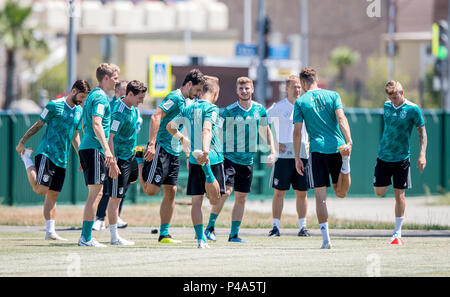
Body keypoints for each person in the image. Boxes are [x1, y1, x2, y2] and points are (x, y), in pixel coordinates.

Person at [16, 80, 91, 241]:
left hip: (62, 159)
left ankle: (50, 232)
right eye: (82, 96)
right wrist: (22, 141)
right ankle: (26, 159)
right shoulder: (53, 105)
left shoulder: (79, 111)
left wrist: (81, 158)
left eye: (85, 98)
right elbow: (38, 124)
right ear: (73, 91)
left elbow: (75, 136)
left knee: (53, 195)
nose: (83, 100)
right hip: (47, 153)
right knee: (41, 189)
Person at [203, 76, 276, 243]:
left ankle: (234, 234)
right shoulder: (229, 111)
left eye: (247, 88)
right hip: (229, 158)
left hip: (248, 161)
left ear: (252, 89)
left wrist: (272, 151)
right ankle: (210, 228)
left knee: (241, 197)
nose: (244, 91)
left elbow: (265, 130)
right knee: (226, 192)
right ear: (237, 91)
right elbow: (216, 131)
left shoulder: (259, 109)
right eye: (241, 89)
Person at [138, 69, 205, 244]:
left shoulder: (186, 102)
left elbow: (178, 129)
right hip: (161, 148)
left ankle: (164, 234)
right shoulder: (175, 97)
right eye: (197, 90)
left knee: (171, 191)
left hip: (174, 151)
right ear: (189, 84)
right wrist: (152, 144)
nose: (198, 94)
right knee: (151, 191)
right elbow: (155, 116)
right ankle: (139, 161)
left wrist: (187, 152)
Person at [293, 67, 352, 249]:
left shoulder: (301, 101)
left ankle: (326, 240)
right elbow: (341, 119)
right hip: (337, 147)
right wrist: (349, 140)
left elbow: (297, 132)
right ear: (316, 79)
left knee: (320, 197)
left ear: (302, 83)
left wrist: (297, 158)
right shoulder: (333, 95)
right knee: (341, 193)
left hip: (317, 151)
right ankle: (346, 162)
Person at [167, 76, 224, 248]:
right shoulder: (212, 108)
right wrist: (205, 152)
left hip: (193, 158)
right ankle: (208, 173)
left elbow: (170, 126)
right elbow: (207, 129)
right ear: (215, 92)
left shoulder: (189, 107)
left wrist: (184, 141)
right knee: (215, 200)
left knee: (196, 202)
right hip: (211, 157)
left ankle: (201, 239)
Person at [373, 80, 427, 245]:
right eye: (391, 97)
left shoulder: (413, 109)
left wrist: (422, 154)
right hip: (383, 157)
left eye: (396, 97)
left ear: (402, 93)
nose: (393, 100)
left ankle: (397, 233)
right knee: (379, 192)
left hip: (402, 159)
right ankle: (386, 181)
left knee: (399, 195)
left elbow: (422, 133)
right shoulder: (387, 106)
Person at [77, 63, 120, 247]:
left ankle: (86, 237)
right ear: (106, 78)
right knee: (95, 194)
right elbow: (96, 124)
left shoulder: (94, 95)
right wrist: (107, 150)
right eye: (115, 78)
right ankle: (86, 238)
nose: (117, 81)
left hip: (91, 147)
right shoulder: (100, 98)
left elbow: (84, 125)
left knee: (97, 193)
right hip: (94, 148)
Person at [267, 75, 312, 237]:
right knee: (279, 192)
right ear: (287, 88)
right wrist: (272, 145)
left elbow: (315, 129)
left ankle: (302, 227)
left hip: (302, 155)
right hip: (284, 157)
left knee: (302, 192)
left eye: (299, 86)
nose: (297, 89)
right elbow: (262, 124)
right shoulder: (279, 107)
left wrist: (310, 143)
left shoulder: (306, 106)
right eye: (294, 86)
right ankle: (275, 227)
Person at [104, 80, 147, 246]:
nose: (142, 101)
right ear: (130, 94)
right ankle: (114, 237)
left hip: (130, 158)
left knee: (120, 195)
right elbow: (110, 138)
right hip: (119, 160)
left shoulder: (134, 109)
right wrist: (113, 162)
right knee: (114, 198)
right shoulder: (118, 113)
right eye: (140, 97)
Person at [93, 79, 129, 231]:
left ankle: (116, 216)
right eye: (125, 89)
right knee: (108, 187)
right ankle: (100, 218)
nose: (128, 92)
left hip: (126, 152)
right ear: (118, 91)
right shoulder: (112, 105)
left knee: (122, 187)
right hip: (112, 151)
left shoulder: (130, 107)